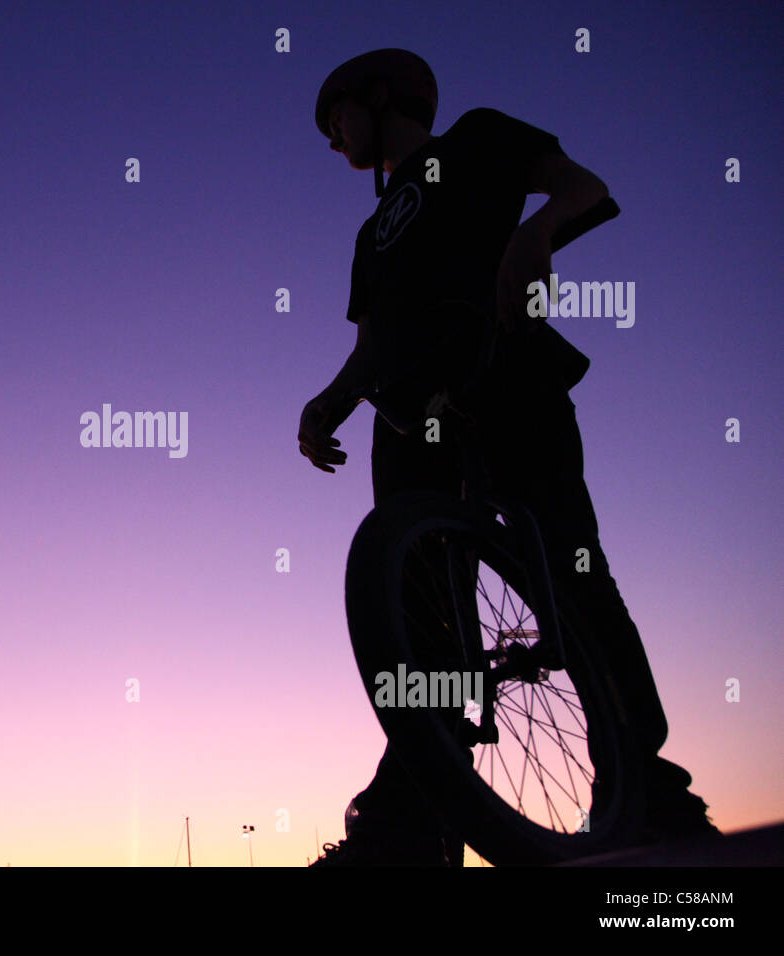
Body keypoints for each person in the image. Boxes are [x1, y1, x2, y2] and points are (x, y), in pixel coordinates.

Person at [299, 49, 719, 866]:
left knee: (573, 571)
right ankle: (415, 820)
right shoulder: (368, 234)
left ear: (381, 98)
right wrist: (328, 402)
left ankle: (652, 791)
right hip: (407, 417)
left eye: (335, 118)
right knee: (421, 621)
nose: (330, 139)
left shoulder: (477, 138)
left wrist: (535, 233)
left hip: (497, 366)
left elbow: (582, 187)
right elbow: (369, 345)